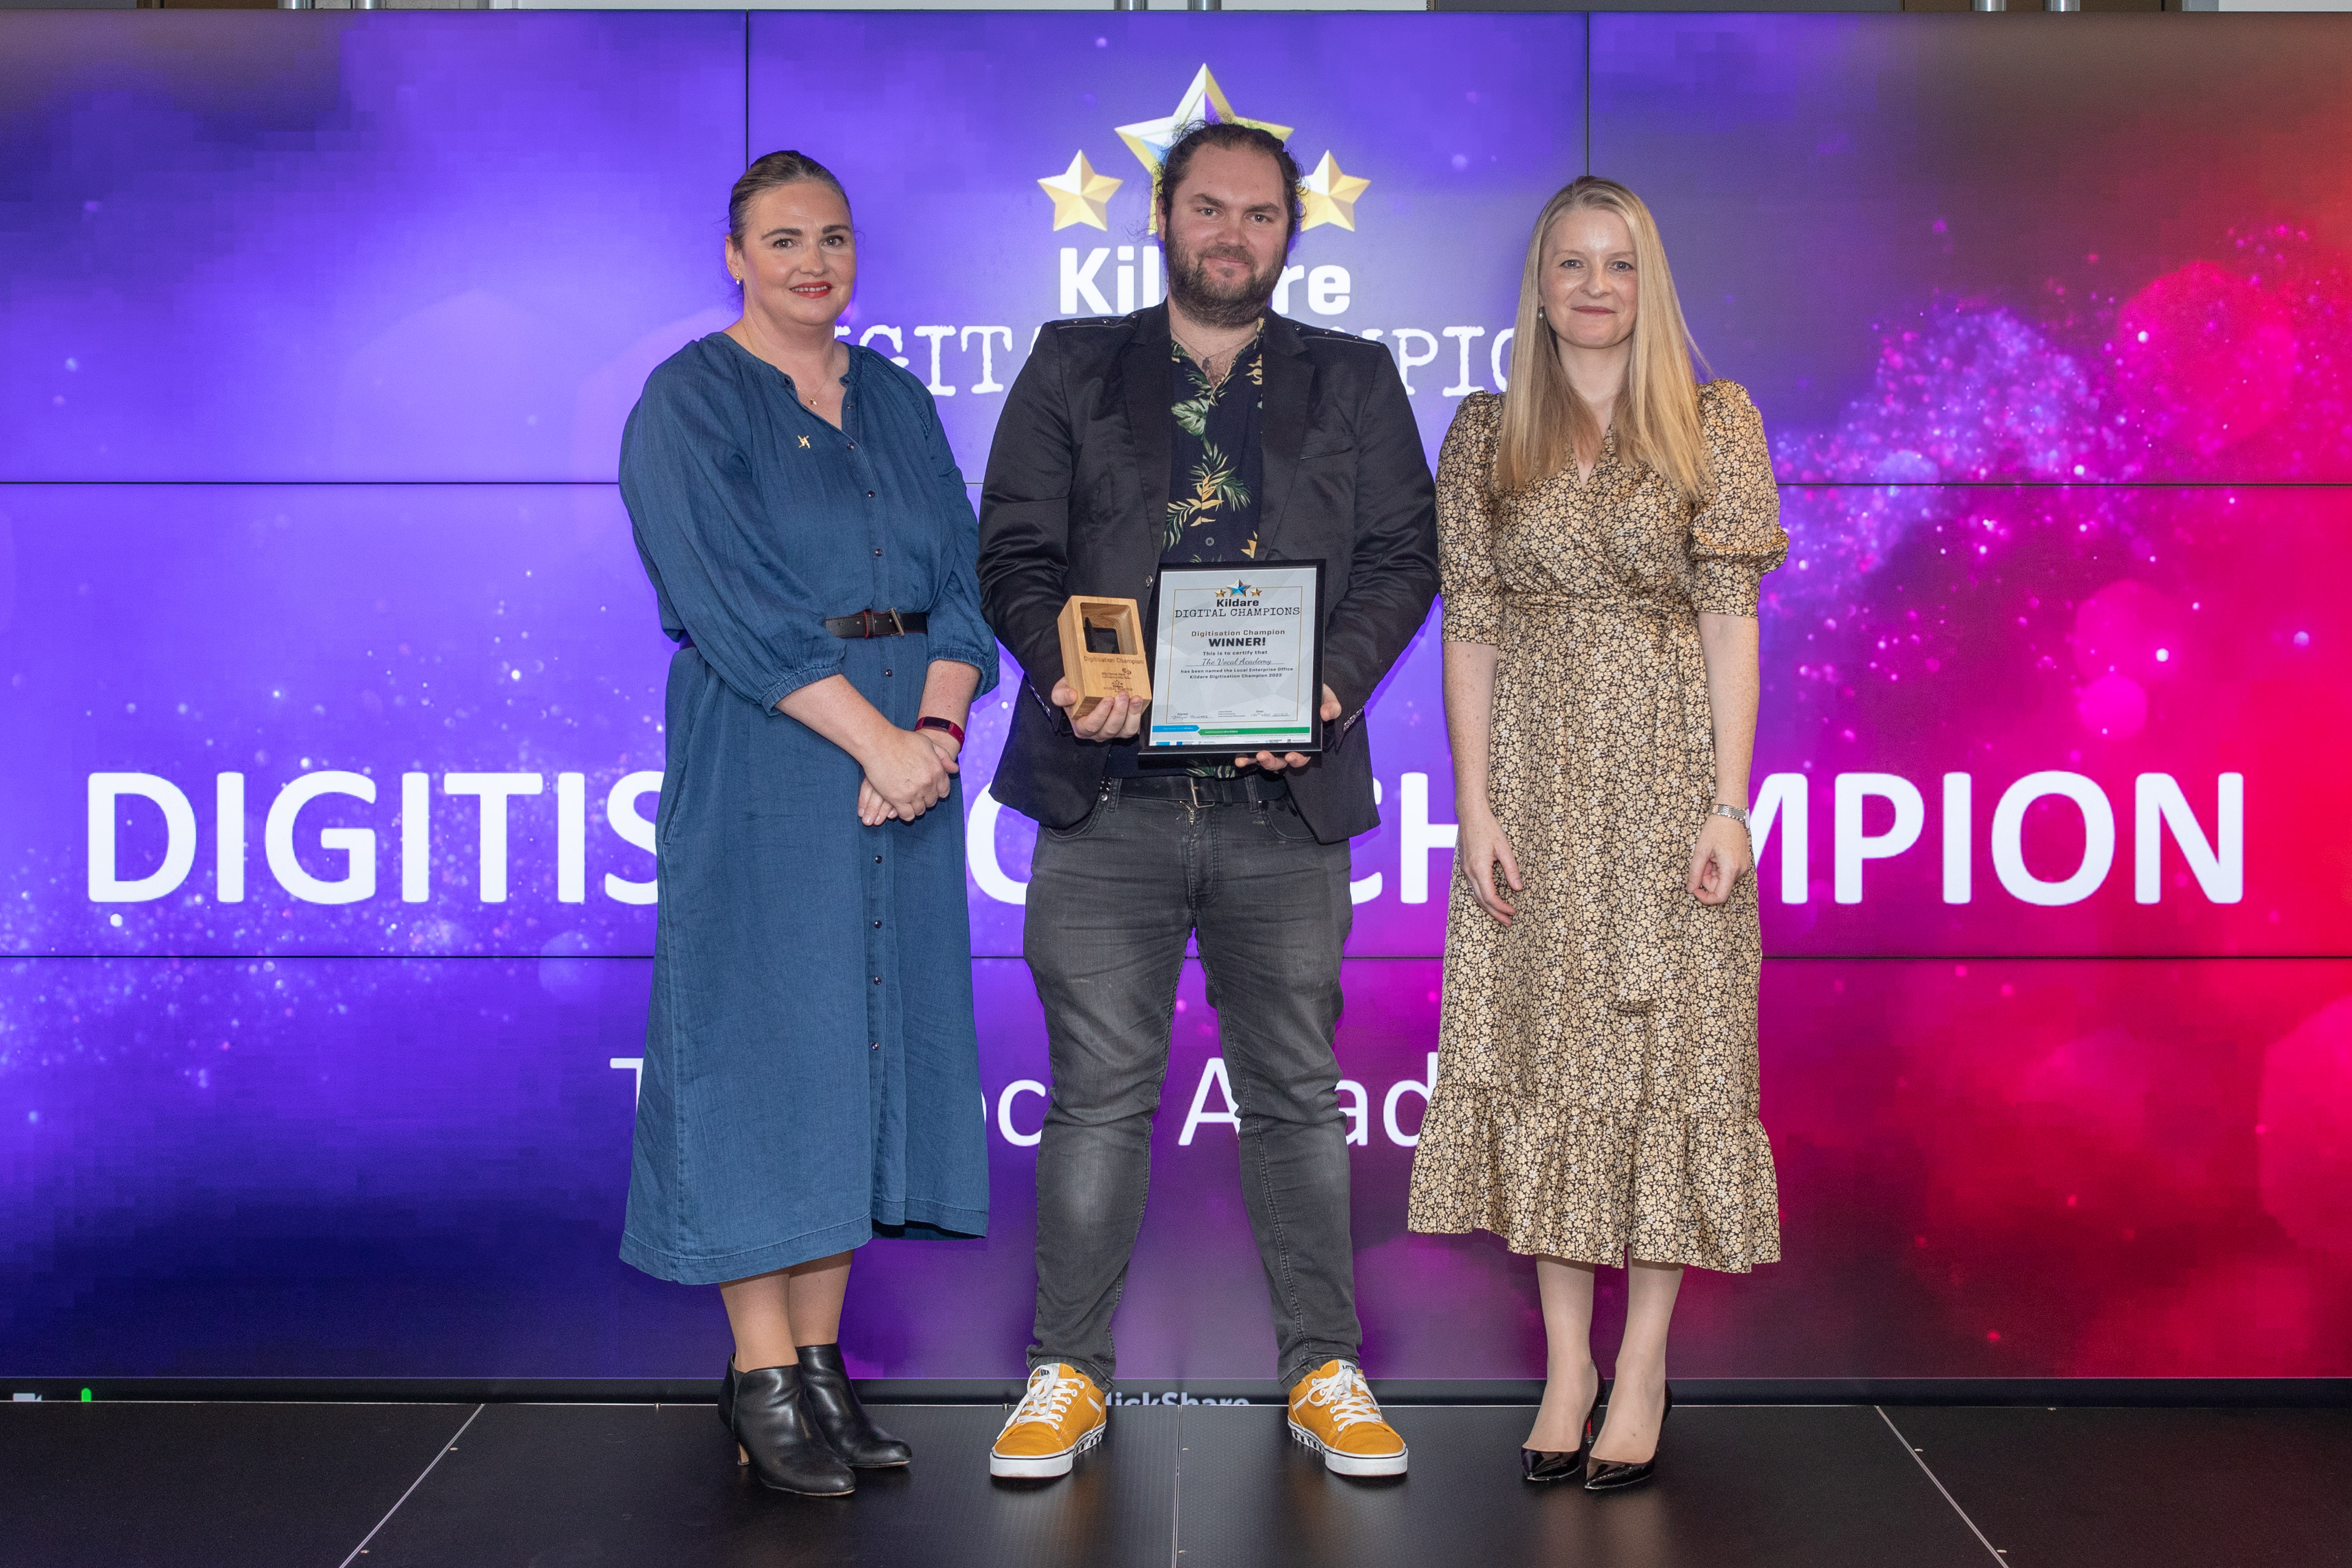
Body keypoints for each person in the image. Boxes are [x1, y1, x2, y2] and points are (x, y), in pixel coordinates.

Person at [977, 122, 1440, 1481]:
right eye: (1207, 209)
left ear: (1288, 235)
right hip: (1105, 797)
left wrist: (1329, 689)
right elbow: (1012, 552)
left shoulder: (1353, 377)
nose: (1231, 235)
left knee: (1295, 1094)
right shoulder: (1072, 363)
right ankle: (1066, 1374)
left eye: (1258, 215)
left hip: (1280, 804)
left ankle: (1323, 1370)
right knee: (1095, 1100)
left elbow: (1403, 557)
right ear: (1161, 217)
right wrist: (1067, 664)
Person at [616, 150, 998, 1497]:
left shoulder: (894, 395)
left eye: (831, 237)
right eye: (782, 239)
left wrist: (934, 734)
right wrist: (877, 742)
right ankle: (761, 1370)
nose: (812, 262)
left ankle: (822, 1365)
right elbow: (730, 605)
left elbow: (964, 586)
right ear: (734, 256)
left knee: (861, 1049)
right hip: (771, 751)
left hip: (908, 759)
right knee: (762, 1046)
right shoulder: (686, 402)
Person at [1405, 176, 1787, 1491]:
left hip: (1671, 784)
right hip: (1534, 788)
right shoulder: (1484, 432)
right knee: (1547, 1062)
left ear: (1647, 280)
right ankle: (1566, 1367)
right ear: (1539, 283)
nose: (1593, 287)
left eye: (1616, 263)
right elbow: (1470, 627)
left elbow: (1730, 623)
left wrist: (1729, 801)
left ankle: (1642, 1366)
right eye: (1569, 263)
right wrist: (1475, 805)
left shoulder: (1714, 420)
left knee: (1670, 1065)